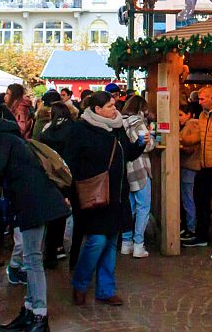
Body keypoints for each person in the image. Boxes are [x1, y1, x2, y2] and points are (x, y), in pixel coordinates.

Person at [0, 118, 70, 332]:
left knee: (33, 259)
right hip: (35, 201)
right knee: (31, 257)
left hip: (34, 202)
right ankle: (30, 310)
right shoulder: (11, 139)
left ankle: (39, 316)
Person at [61, 91, 145, 306]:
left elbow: (127, 154)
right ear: (97, 110)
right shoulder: (80, 129)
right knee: (97, 241)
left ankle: (106, 289)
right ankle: (80, 284)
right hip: (93, 196)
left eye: (114, 105)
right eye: (109, 106)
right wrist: (68, 192)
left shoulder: (117, 129)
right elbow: (69, 162)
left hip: (116, 196)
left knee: (110, 242)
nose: (114, 109)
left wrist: (140, 145)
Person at [182, 86, 212, 248]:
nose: (199, 102)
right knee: (200, 198)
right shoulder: (202, 115)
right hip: (203, 165)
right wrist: (181, 139)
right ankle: (202, 235)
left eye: (202, 99)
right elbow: (199, 137)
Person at [35, 102, 74, 269]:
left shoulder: (46, 131)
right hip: (68, 175)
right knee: (66, 212)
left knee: (54, 213)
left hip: (52, 176)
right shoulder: (73, 129)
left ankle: (50, 251)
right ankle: (61, 247)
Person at [120, 95, 155, 259]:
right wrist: (152, 136)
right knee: (143, 207)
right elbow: (146, 145)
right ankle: (138, 244)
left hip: (125, 169)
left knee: (129, 207)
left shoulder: (120, 121)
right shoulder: (138, 123)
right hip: (139, 168)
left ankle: (126, 242)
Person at [178, 103, 201, 240]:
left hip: (189, 166)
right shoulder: (190, 125)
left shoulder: (191, 125)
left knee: (188, 199)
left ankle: (191, 228)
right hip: (189, 166)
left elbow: (191, 147)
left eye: (181, 115)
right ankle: (189, 226)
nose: (179, 118)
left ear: (189, 115)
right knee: (188, 198)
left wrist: (180, 146)